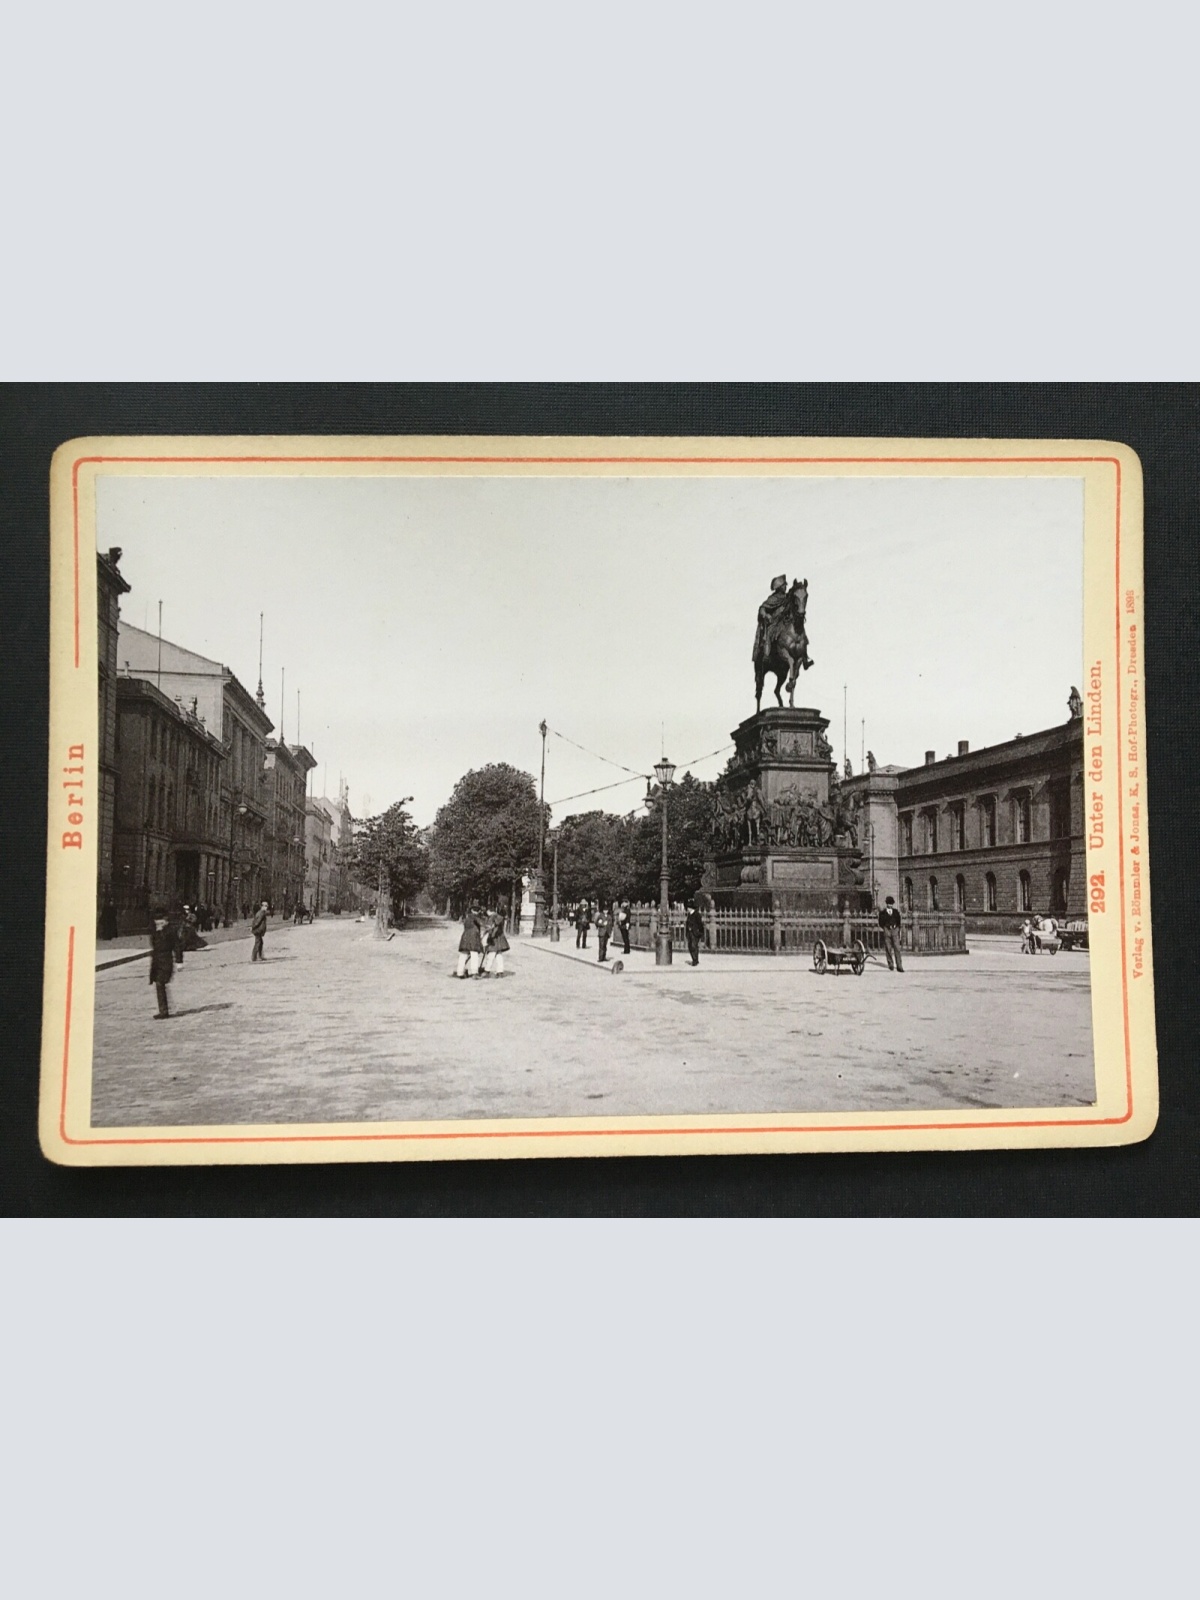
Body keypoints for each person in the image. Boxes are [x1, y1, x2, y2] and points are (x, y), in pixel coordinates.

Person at [149, 908, 176, 1019]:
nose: (158, 924)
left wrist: (179, 961)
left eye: (161, 922)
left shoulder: (170, 931)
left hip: (166, 961)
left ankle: (164, 1011)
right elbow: (154, 944)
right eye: (157, 921)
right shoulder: (155, 931)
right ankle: (163, 1010)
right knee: (159, 984)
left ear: (166, 921)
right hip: (156, 961)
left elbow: (177, 945)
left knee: (160, 983)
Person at [878, 894, 904, 973]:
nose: (890, 905)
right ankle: (890, 964)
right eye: (889, 904)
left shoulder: (896, 912)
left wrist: (897, 928)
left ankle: (899, 965)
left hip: (895, 930)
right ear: (887, 904)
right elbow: (880, 922)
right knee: (888, 948)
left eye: (891, 904)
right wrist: (885, 928)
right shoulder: (882, 913)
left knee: (897, 948)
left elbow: (899, 921)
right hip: (887, 930)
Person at [481, 909, 510, 977]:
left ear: (489, 911)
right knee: (498, 955)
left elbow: (491, 928)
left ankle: (487, 971)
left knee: (491, 954)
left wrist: (488, 935)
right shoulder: (499, 917)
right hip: (500, 939)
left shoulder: (492, 917)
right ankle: (500, 971)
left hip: (494, 939)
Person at [456, 907, 483, 978]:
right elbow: (482, 923)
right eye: (478, 911)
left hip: (465, 938)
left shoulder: (467, 918)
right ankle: (474, 972)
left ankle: (460, 972)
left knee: (463, 955)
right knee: (474, 954)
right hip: (473, 939)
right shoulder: (475, 917)